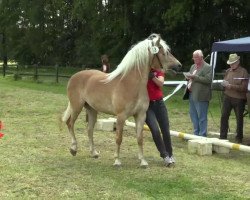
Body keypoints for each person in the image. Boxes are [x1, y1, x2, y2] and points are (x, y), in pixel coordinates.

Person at [146, 67, 175, 167]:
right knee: (155, 130)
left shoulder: (158, 70)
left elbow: (160, 83)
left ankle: (170, 154)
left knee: (165, 129)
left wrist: (152, 77)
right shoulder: (141, 70)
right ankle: (164, 155)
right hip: (147, 106)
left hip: (159, 103)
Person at [220, 53, 248, 144]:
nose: (231, 65)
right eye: (230, 63)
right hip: (227, 97)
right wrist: (223, 84)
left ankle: (239, 137)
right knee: (224, 116)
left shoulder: (244, 72)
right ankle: (222, 136)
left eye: (233, 63)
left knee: (239, 118)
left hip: (239, 99)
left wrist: (231, 86)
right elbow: (224, 80)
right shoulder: (228, 71)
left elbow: (244, 88)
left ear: (238, 62)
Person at [183, 50, 212, 137]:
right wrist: (187, 77)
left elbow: (208, 80)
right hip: (191, 94)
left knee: (202, 117)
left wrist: (195, 77)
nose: (194, 59)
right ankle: (196, 133)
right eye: (193, 57)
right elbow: (191, 78)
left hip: (201, 96)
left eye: (196, 57)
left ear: (201, 57)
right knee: (193, 116)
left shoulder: (208, 67)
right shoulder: (193, 66)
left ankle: (202, 135)